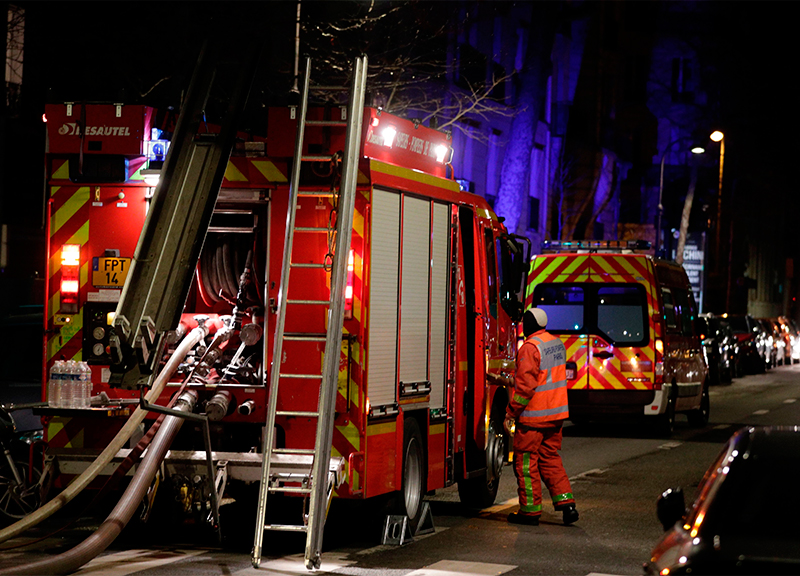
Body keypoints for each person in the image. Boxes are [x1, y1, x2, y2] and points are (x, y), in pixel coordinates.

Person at [505, 307, 579, 526]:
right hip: (555, 416)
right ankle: (568, 505)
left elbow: (526, 387)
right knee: (551, 459)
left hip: (533, 419)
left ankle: (530, 512)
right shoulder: (556, 344)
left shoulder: (530, 347)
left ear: (529, 324)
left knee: (526, 464)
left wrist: (510, 412)